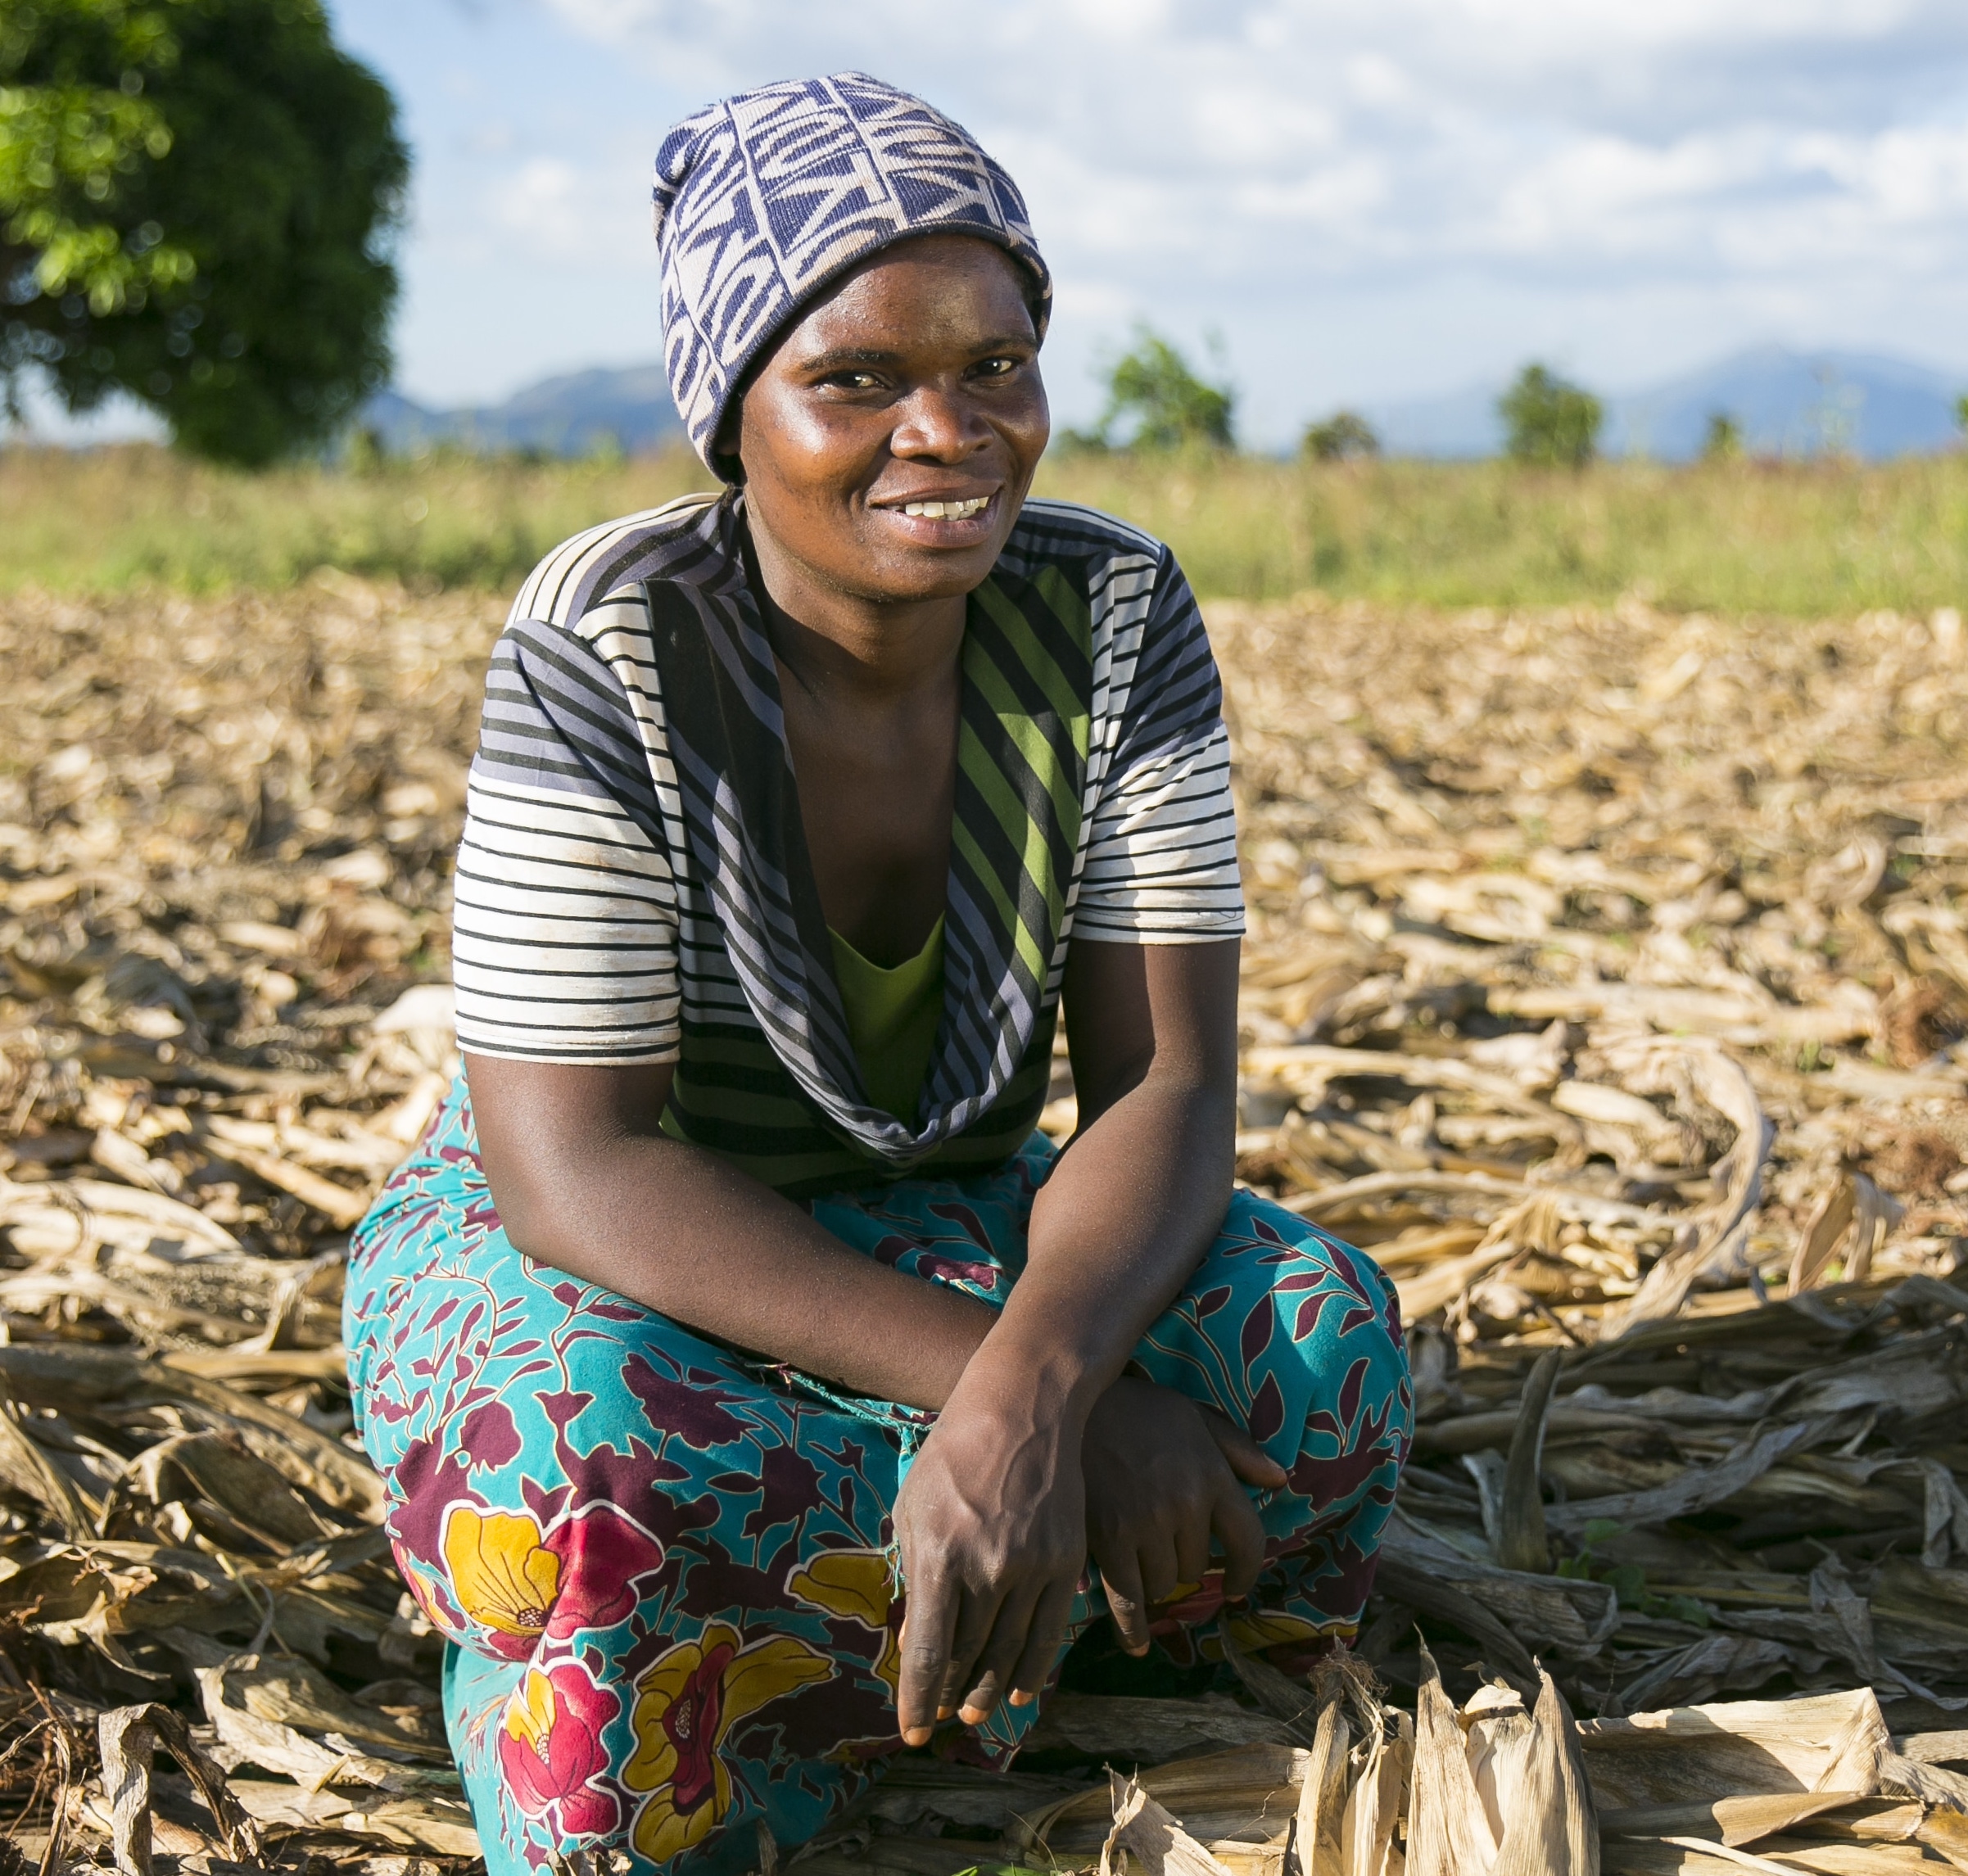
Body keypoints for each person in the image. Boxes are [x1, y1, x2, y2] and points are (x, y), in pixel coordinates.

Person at [345, 72, 1410, 1876]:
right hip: (632, 1252)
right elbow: (571, 1168)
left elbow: (1166, 1083)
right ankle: (861, 1629)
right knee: (600, 1469)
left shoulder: (1113, 615)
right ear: (734, 412)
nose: (950, 431)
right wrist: (1017, 1396)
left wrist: (1040, 1382)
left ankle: (832, 1632)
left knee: (1312, 1354)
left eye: (996, 366)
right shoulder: (608, 639)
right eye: (857, 380)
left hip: (963, 1218)